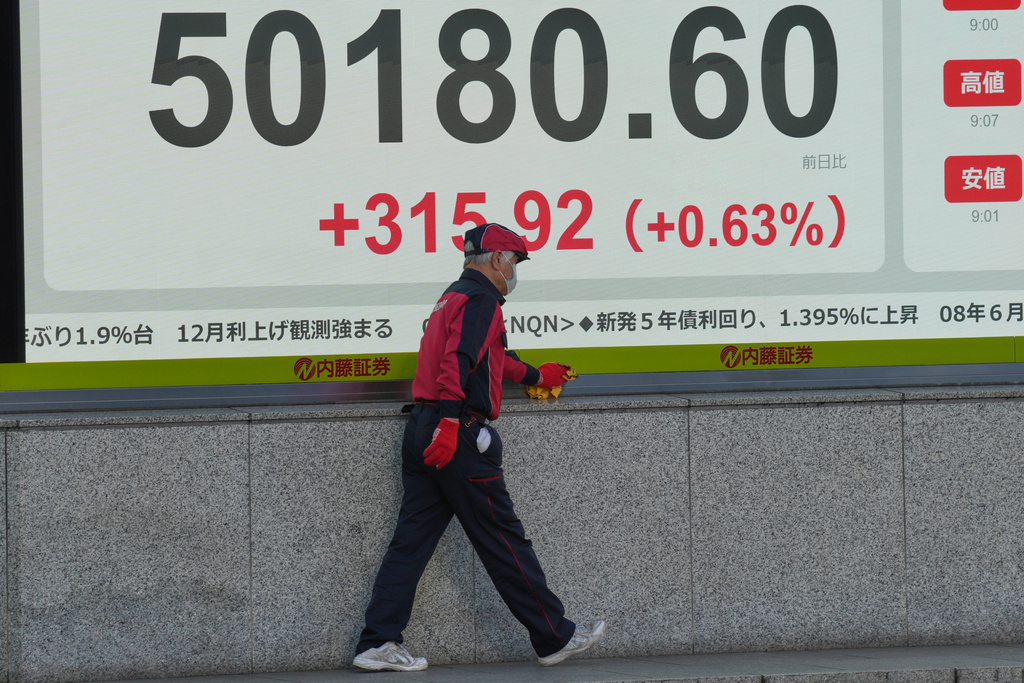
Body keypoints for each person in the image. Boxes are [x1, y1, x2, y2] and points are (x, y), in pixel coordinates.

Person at [352, 223, 606, 672]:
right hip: (458, 435)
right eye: (514, 261)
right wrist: (451, 423)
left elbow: (490, 357)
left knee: (410, 543)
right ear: (495, 259)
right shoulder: (483, 299)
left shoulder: (453, 295)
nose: (514, 270)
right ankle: (553, 635)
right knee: (503, 537)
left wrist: (536, 375)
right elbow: (459, 359)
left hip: (423, 430)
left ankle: (378, 642)